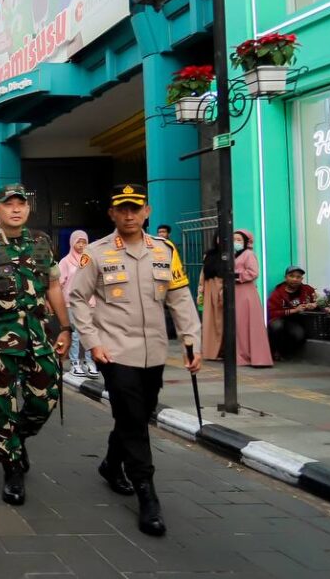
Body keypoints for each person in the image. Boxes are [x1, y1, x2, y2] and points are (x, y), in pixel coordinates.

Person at [67, 183, 202, 538]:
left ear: (147, 211)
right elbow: (77, 297)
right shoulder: (95, 253)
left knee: (136, 415)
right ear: (112, 213)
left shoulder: (164, 251)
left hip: (154, 352)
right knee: (134, 420)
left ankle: (112, 465)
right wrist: (93, 342)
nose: (129, 215)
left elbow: (180, 298)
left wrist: (191, 340)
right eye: (122, 209)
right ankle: (147, 494)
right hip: (114, 351)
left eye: (135, 208)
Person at [0, 183, 72, 506]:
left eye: (21, 204)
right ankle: (12, 468)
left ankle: (16, 438)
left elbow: (55, 286)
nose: (16, 209)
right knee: (2, 405)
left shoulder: (41, 243)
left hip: (37, 333)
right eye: (9, 204)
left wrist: (65, 327)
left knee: (45, 398)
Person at [58, 230, 96, 377]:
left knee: (89, 333)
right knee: (74, 335)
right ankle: (75, 363)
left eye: (84, 242)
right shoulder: (65, 262)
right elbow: (59, 284)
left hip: (89, 302)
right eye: (78, 242)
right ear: (72, 243)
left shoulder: (90, 260)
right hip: (71, 303)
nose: (81, 245)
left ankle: (89, 361)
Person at [233, 230, 272, 367]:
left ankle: (257, 357)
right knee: (239, 325)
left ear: (245, 242)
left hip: (246, 293)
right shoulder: (235, 255)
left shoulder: (249, 255)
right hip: (237, 293)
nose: (235, 242)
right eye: (234, 239)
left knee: (249, 324)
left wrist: (236, 276)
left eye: (238, 239)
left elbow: (253, 272)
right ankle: (242, 356)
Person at [266, 266, 316, 360]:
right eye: (291, 276)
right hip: (280, 320)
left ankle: (284, 352)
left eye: (298, 277)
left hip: (298, 322)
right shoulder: (277, 293)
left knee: (299, 335)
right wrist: (295, 310)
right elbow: (273, 313)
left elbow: (319, 301)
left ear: (301, 279)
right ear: (286, 277)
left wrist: (314, 305)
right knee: (277, 326)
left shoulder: (308, 290)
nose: (295, 279)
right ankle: (275, 352)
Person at [200, 234, 224, 360]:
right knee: (210, 322)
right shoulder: (209, 255)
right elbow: (203, 274)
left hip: (223, 290)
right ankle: (211, 352)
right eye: (219, 237)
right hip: (210, 290)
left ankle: (222, 351)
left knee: (222, 322)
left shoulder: (232, 255)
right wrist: (201, 291)